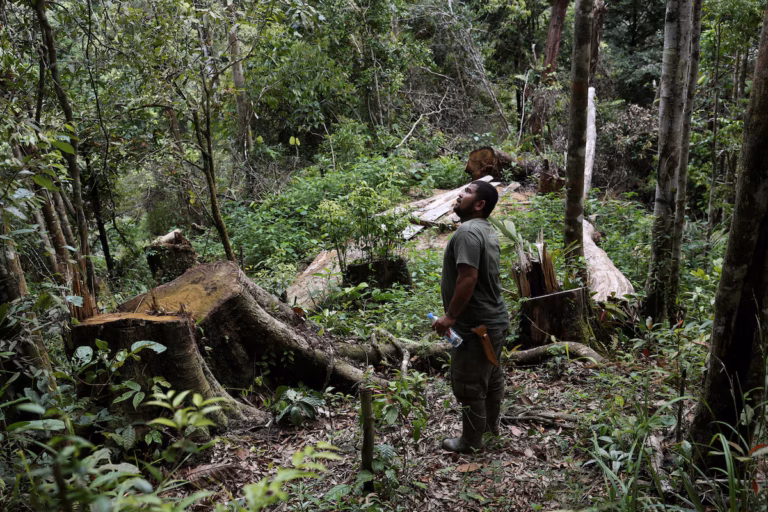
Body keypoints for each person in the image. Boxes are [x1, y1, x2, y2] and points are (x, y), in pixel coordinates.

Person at [432, 180, 509, 453]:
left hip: (476, 326)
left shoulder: (467, 231)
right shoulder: (485, 229)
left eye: (467, 192)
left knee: (468, 383)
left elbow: (468, 277)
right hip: (493, 322)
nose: (459, 194)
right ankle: (489, 430)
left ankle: (471, 442)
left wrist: (450, 317)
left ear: (479, 204)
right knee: (491, 376)